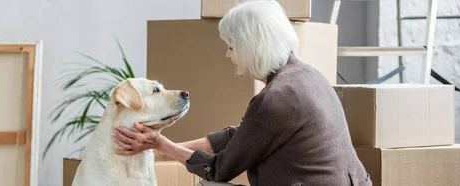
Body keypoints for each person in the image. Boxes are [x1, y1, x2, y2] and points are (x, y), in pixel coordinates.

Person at [111, 0, 372, 185]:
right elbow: (244, 136)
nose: (228, 54)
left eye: (231, 47)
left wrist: (160, 143)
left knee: (210, 185)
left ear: (250, 47)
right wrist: (160, 151)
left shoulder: (275, 98)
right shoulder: (307, 76)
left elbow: (219, 169)